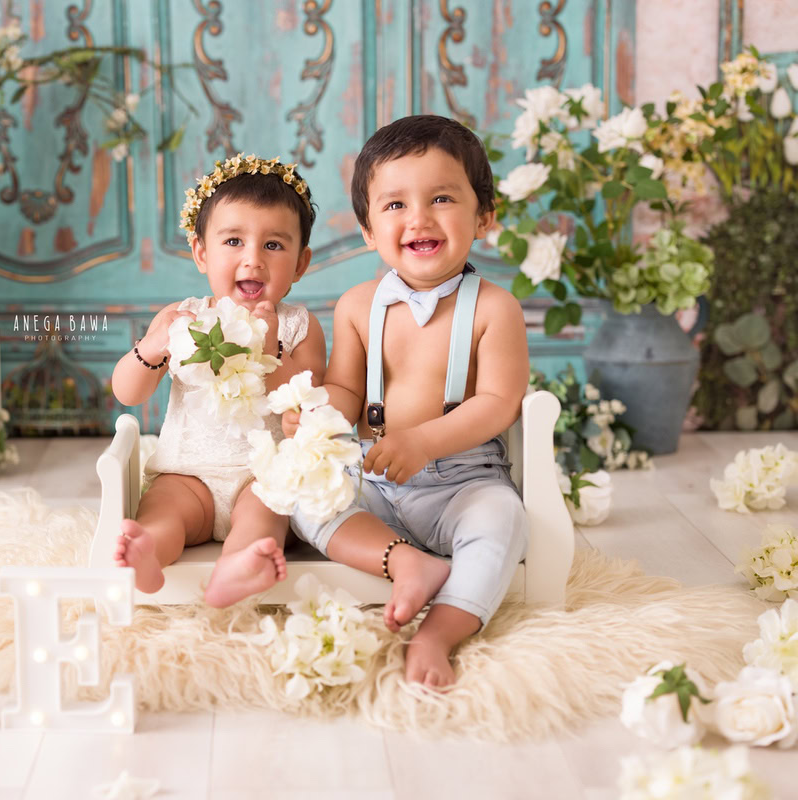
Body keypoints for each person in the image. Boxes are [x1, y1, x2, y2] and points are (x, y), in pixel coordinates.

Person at [286, 115, 530, 688]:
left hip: (462, 480)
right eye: (394, 204)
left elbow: (499, 402)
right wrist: (320, 410)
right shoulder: (356, 305)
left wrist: (423, 440)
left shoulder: (496, 309)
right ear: (368, 229)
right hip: (376, 474)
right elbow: (348, 389)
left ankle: (439, 632)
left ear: (484, 216)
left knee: (503, 519)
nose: (418, 218)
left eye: (442, 198)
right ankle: (406, 563)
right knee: (305, 502)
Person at [110, 154, 327, 608]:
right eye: (233, 241)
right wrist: (152, 348)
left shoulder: (298, 326)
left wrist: (272, 352)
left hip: (260, 473)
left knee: (267, 510)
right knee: (165, 509)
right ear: (201, 252)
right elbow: (127, 392)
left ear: (301, 263)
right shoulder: (182, 317)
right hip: (187, 472)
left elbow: (306, 405)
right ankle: (149, 550)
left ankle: (241, 565)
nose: (253, 259)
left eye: (273, 245)